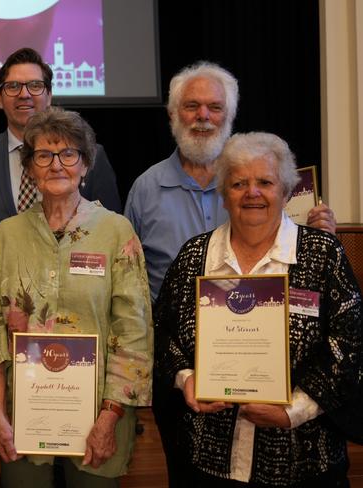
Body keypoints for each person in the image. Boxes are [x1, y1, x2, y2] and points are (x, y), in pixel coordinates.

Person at [154, 132, 362, 487]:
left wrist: (293, 410)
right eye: (238, 183)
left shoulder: (322, 254)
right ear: (223, 194)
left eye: (265, 182)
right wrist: (186, 379)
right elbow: (166, 334)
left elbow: (348, 343)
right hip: (207, 459)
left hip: (304, 460)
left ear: (285, 191)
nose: (252, 193)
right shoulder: (194, 258)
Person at [0, 107, 153, 487]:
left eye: (68, 154)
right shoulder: (7, 234)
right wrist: (0, 415)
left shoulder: (117, 232)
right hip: (22, 415)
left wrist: (109, 417)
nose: (57, 164)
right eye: (43, 155)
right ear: (31, 168)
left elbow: (134, 332)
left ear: (85, 165)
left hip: (100, 415)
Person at [125, 61, 336, 304]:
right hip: (171, 330)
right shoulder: (146, 188)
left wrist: (319, 234)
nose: (203, 116)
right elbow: (129, 275)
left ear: (230, 115)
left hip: (259, 321)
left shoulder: (266, 187)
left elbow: (299, 251)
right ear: (173, 114)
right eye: (192, 106)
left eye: (214, 107)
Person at [0, 47, 122, 233]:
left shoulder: (89, 154)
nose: (24, 94)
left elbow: (111, 231)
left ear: (49, 96)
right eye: (13, 86)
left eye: (35, 85)